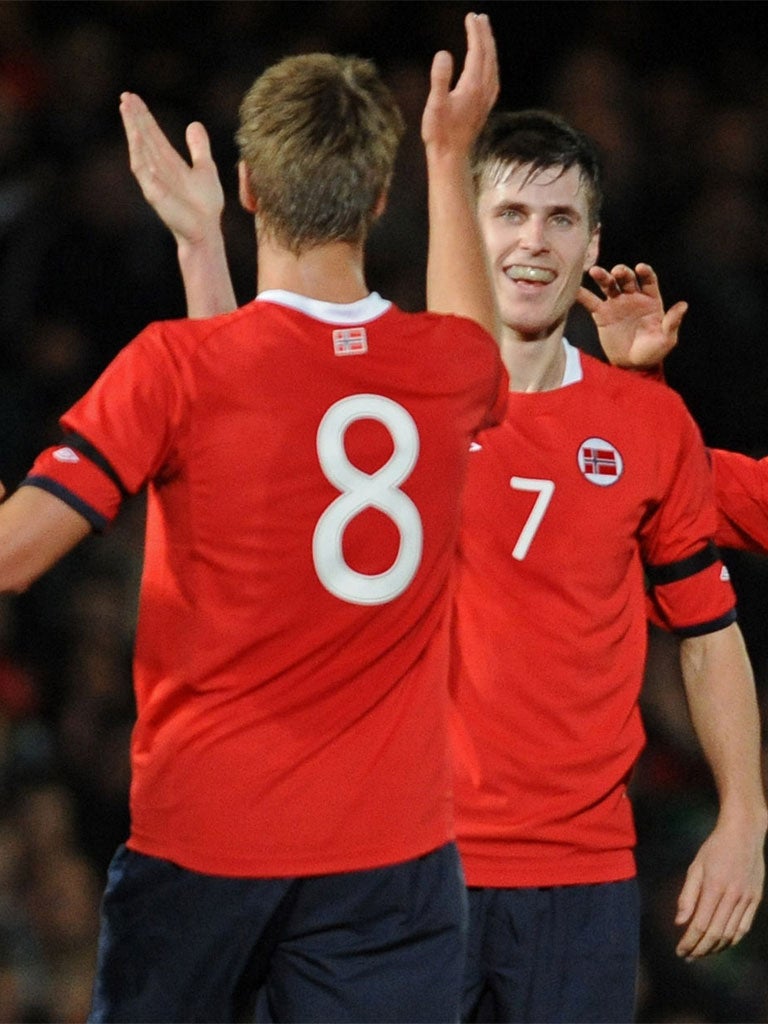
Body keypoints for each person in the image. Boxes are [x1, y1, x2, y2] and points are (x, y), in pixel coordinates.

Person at [121, 103, 767, 1024]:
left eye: (560, 220)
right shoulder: (387, 392)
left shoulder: (648, 423)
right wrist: (199, 246)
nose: (533, 242)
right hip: (394, 869)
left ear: (594, 245)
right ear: (465, 226)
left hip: (579, 883)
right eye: (508, 214)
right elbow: (237, 417)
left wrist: (745, 818)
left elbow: (709, 631)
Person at [0, 14, 509, 1023]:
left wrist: (199, 244)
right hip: (388, 863)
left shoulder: (175, 371)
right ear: (375, 195)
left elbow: (17, 557)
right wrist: (452, 152)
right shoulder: (449, 373)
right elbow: (453, 338)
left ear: (247, 188)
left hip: (206, 847)